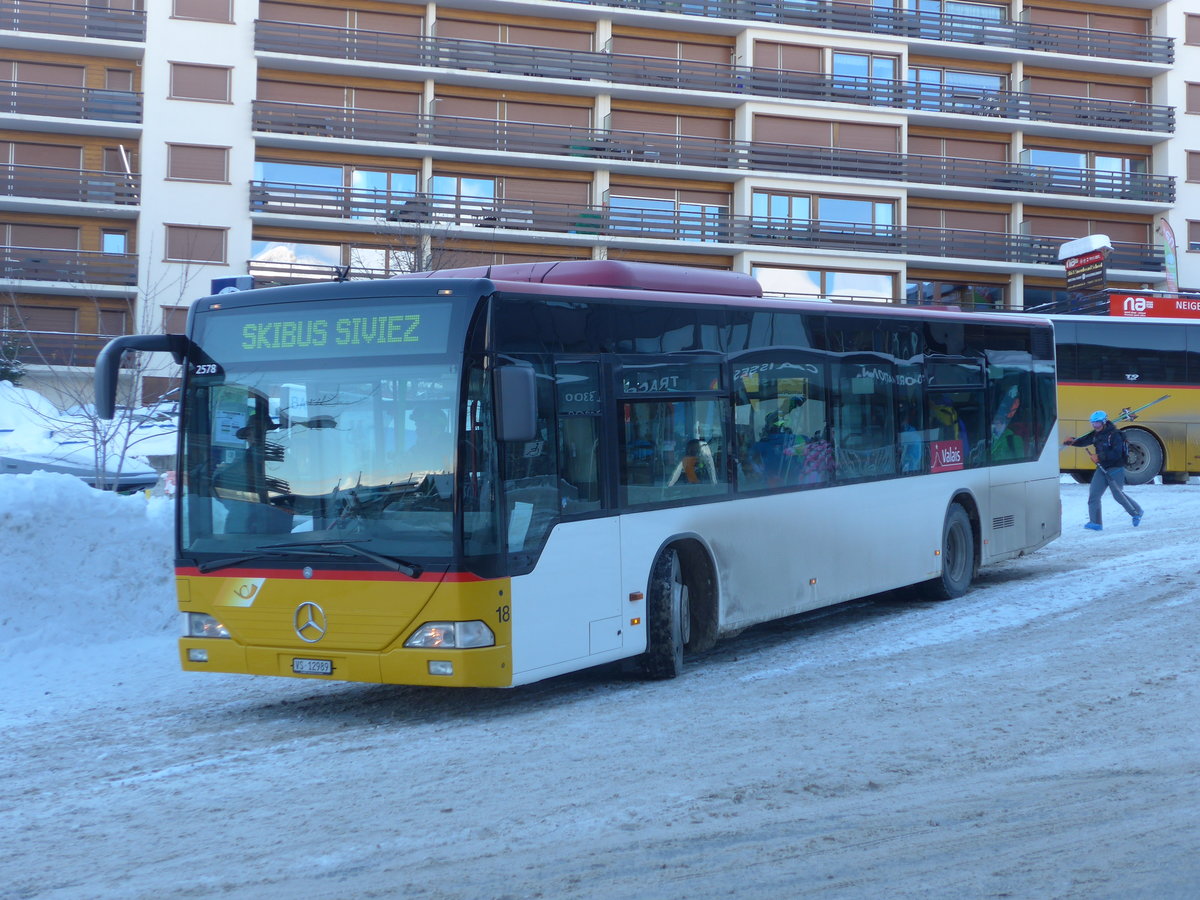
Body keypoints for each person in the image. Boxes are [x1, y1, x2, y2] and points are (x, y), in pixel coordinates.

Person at [1062, 410, 1143, 531]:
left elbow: (1116, 453)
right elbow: (1085, 441)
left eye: (1098, 424)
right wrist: (1072, 441)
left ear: (1104, 422)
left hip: (1115, 468)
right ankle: (1096, 523)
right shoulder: (1096, 434)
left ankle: (1137, 512)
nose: (1095, 426)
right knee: (1094, 495)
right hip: (1102, 468)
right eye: (1093, 424)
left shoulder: (1115, 435)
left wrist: (1099, 457)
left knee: (1118, 495)